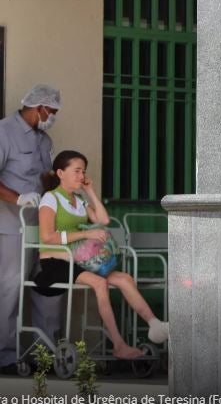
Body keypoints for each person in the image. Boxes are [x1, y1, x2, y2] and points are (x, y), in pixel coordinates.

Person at [33, 150, 168, 359]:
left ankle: (155, 325)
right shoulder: (50, 199)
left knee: (124, 279)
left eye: (83, 171)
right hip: (56, 262)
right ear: (60, 173)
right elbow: (47, 236)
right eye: (77, 171)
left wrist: (90, 192)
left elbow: (103, 220)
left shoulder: (79, 200)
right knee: (100, 283)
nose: (81, 176)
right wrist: (87, 232)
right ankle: (119, 345)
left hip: (82, 262)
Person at [0, 84, 64, 374]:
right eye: (51, 111)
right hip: (13, 225)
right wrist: (18, 198)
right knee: (10, 290)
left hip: (44, 226)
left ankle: (45, 353)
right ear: (38, 107)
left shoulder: (44, 140)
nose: (53, 116)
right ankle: (6, 356)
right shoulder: (4, 132)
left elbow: (44, 180)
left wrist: (58, 181)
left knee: (47, 284)